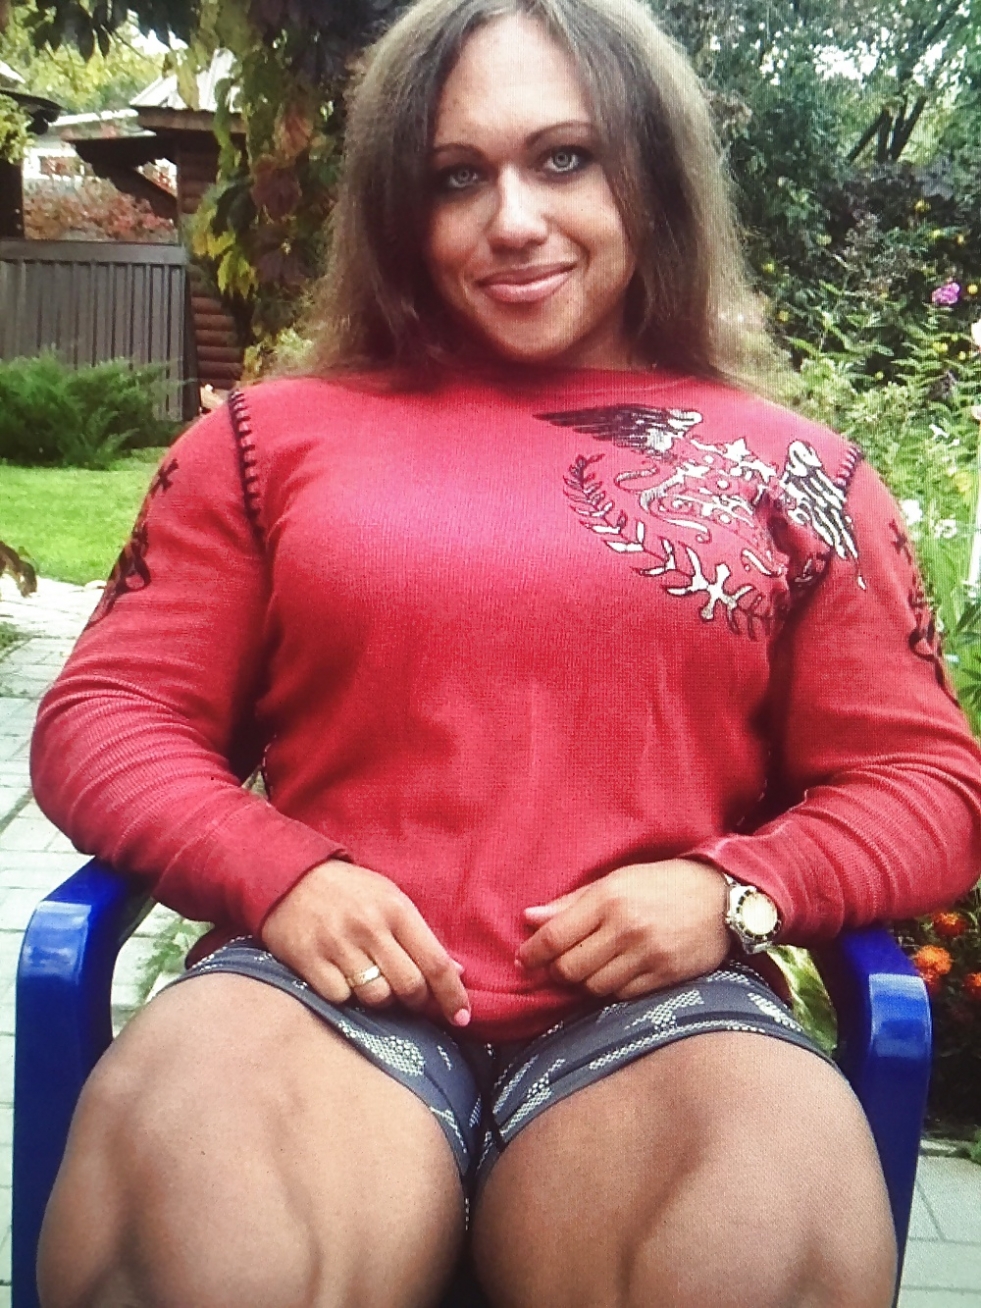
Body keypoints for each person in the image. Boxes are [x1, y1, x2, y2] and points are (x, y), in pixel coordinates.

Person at [29, 0, 981, 1305]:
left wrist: (734, 892)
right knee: (195, 1235)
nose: (513, 219)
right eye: (455, 177)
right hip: (318, 991)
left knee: (765, 1242)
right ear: (396, 209)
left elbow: (927, 785)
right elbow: (108, 715)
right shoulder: (260, 444)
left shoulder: (801, 476)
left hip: (663, 1019)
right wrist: (277, 871)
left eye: (564, 158)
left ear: (649, 173)